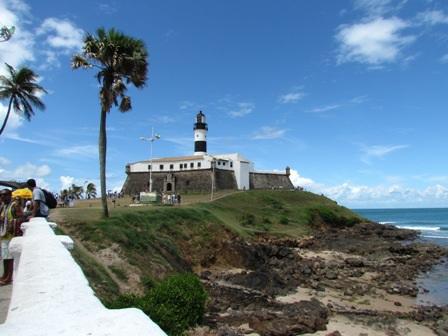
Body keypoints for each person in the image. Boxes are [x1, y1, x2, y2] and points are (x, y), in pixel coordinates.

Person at [0, 189, 23, 285]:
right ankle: (5, 275)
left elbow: (21, 217)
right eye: (1, 195)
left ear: (10, 195)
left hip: (11, 235)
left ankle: (9, 277)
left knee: (9, 257)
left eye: (4, 195)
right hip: (4, 235)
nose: (2, 197)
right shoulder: (3, 206)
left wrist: (12, 222)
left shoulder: (14, 206)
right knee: (5, 256)